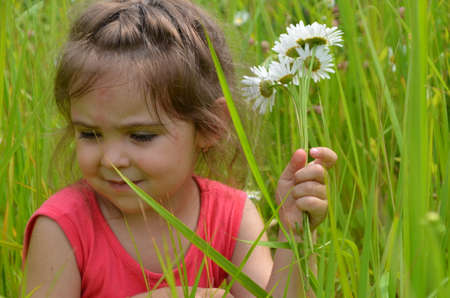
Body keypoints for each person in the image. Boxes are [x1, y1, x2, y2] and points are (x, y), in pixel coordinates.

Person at [22, 0, 337, 297]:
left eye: (141, 135)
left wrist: (294, 235)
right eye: (89, 134)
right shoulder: (62, 228)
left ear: (210, 125)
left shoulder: (232, 217)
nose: (111, 159)